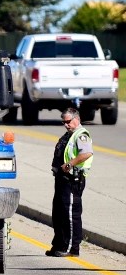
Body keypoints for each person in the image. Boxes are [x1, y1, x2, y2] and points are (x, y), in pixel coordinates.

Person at [46, 107, 93, 257]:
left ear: (76, 119)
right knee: (58, 213)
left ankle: (71, 248)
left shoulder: (81, 135)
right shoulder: (69, 135)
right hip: (62, 179)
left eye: (68, 121)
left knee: (71, 214)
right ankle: (59, 244)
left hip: (73, 179)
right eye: (64, 122)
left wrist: (69, 164)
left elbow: (86, 153)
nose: (66, 124)